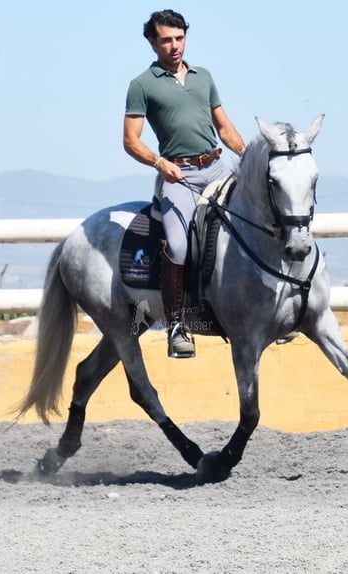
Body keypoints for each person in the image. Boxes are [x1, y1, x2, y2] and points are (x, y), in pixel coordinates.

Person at [123, 9, 245, 359]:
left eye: (179, 38)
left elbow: (224, 128)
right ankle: (177, 326)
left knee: (254, 221)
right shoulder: (142, 85)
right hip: (179, 175)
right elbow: (131, 140)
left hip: (217, 167)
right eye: (166, 40)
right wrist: (161, 164)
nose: (174, 46)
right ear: (152, 42)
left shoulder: (203, 76)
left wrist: (247, 154)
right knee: (178, 246)